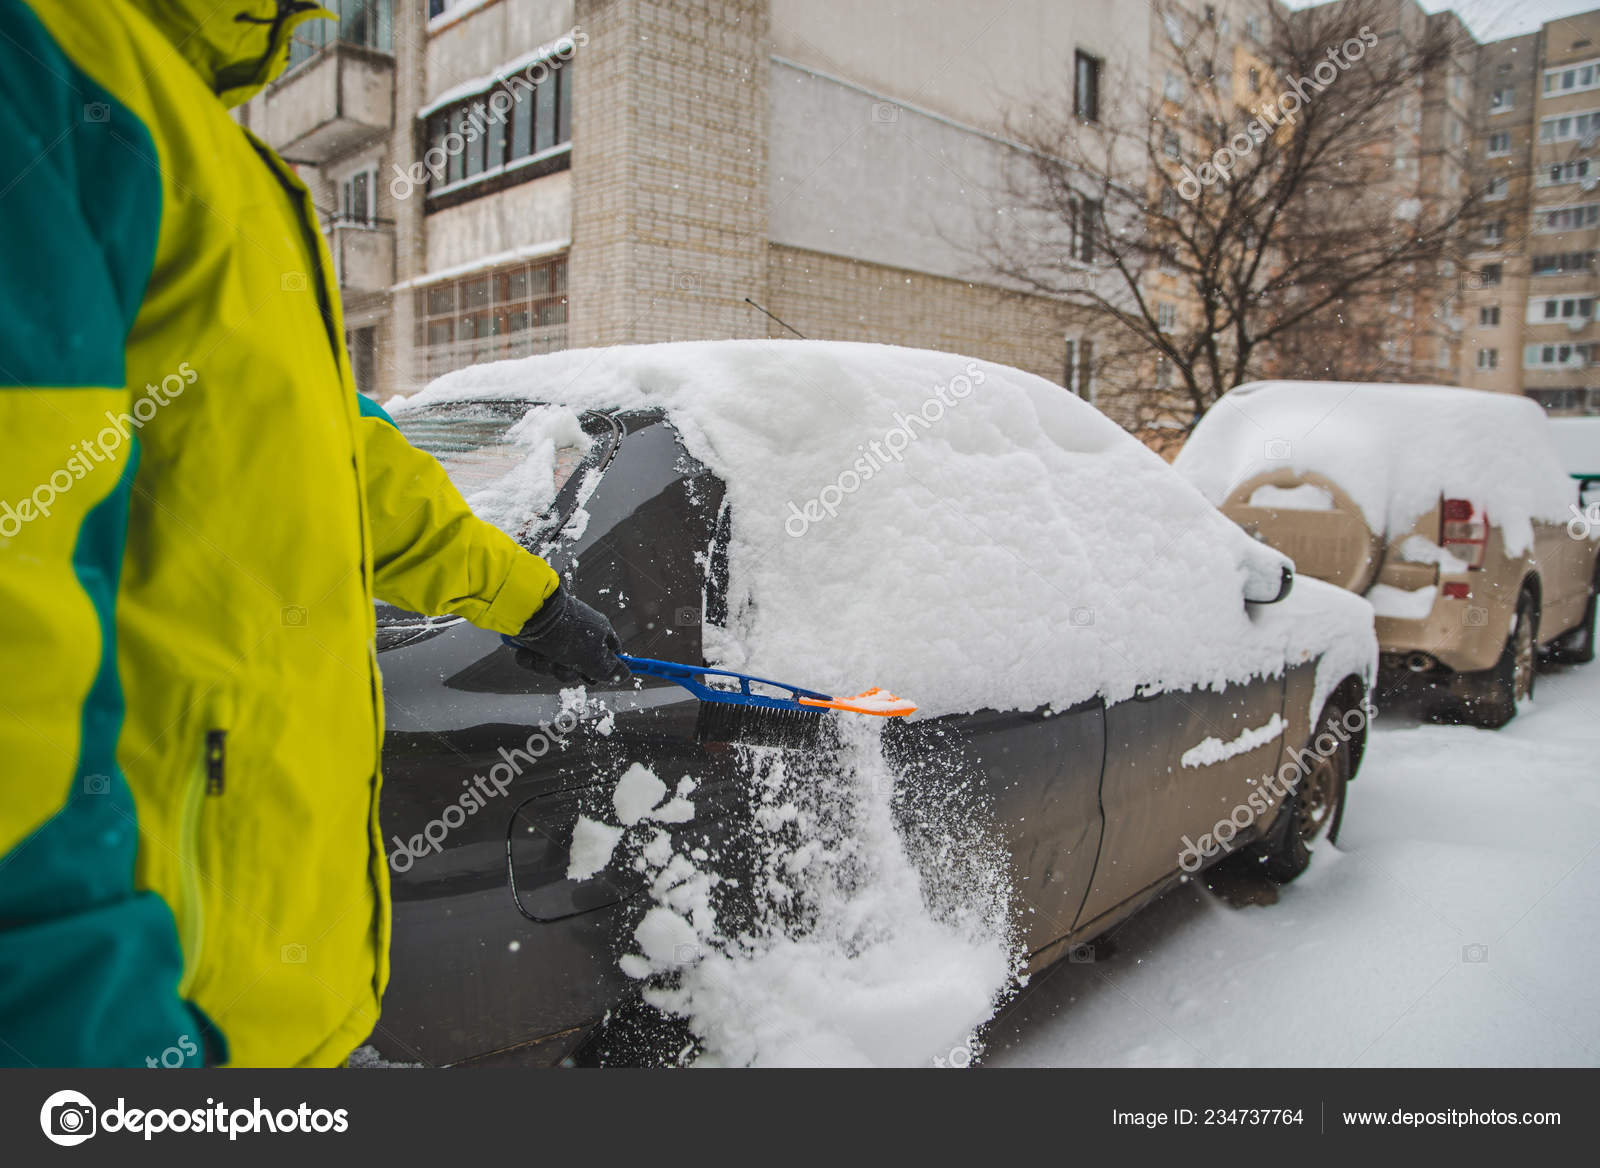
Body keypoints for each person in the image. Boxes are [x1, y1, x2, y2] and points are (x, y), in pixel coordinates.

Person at [0, 0, 625, 1067]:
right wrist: (79, 1026)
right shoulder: (51, 72)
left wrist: (530, 600)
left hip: (266, 1006)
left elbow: (350, 469)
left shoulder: (225, 162)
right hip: (133, 1014)